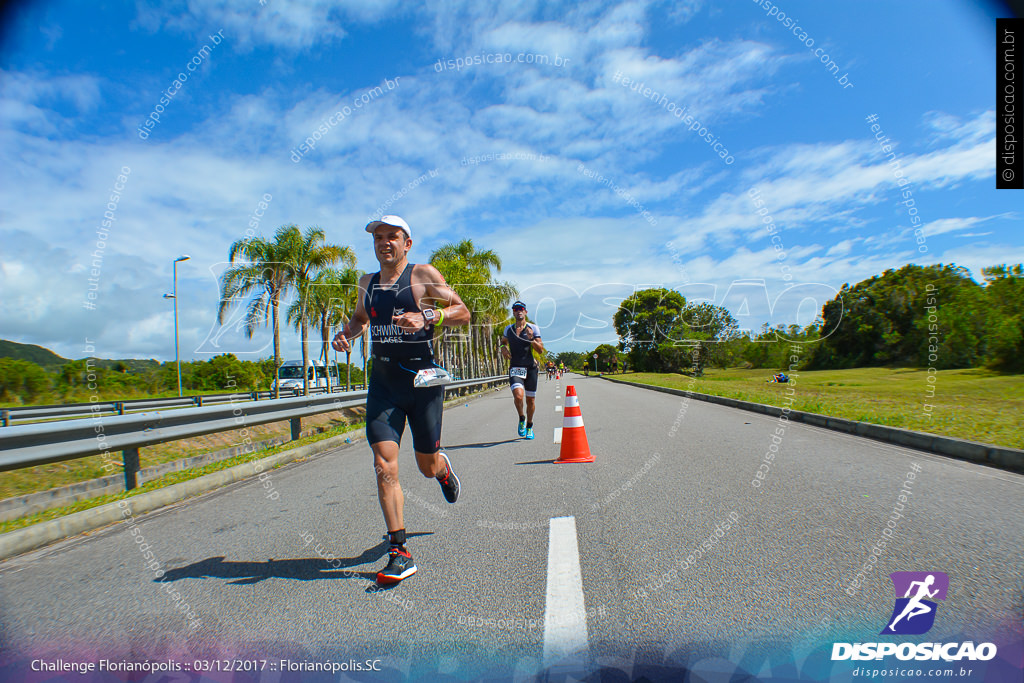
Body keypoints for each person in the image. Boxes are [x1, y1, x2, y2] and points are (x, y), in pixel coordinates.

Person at [332, 215, 469, 585]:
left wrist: (429, 314)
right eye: (378, 237)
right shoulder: (367, 283)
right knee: (384, 465)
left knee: (425, 465)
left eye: (392, 236)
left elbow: (463, 312)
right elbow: (361, 319)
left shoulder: (423, 275)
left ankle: (441, 470)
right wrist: (347, 334)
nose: (384, 242)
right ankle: (400, 551)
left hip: (423, 382)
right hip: (384, 384)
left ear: (407, 243)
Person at [499, 301, 544, 439]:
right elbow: (502, 342)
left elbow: (540, 350)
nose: (519, 311)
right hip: (515, 367)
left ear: (525, 312)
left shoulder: (533, 328)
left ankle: (529, 426)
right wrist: (503, 349)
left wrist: (531, 339)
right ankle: (522, 418)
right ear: (513, 312)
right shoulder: (508, 329)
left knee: (530, 401)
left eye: (521, 309)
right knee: (518, 396)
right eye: (516, 309)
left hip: (530, 368)